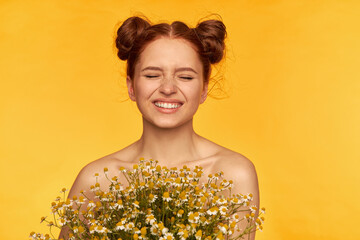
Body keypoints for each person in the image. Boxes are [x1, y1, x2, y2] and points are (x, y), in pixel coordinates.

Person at [59, 15, 260, 240]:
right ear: (131, 86)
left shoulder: (234, 174)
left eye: (185, 76)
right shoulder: (95, 180)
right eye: (152, 75)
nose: (168, 88)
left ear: (203, 88)